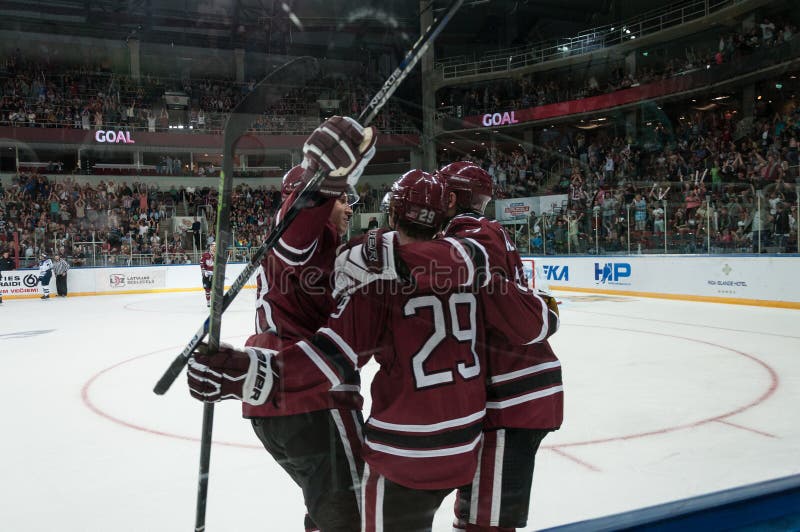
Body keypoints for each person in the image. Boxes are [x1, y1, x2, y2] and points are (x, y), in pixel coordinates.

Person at [187, 170, 559, 531]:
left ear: (392, 213)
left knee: (346, 515)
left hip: (401, 449)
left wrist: (251, 373)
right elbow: (535, 322)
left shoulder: (372, 281)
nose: (347, 208)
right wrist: (545, 307)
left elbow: (332, 355)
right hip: (464, 443)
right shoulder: (471, 269)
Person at [192, 115, 376, 532]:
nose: (348, 208)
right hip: (313, 398)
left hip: (269, 401)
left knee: (328, 512)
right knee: (360, 516)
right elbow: (295, 234)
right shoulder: (305, 239)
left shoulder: (311, 250)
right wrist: (321, 181)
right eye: (341, 199)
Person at [395, 161, 564, 532]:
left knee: (485, 523)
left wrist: (383, 254)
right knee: (475, 514)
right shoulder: (477, 229)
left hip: (512, 399)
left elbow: (512, 313)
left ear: (452, 198)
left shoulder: (469, 232)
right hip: (503, 399)